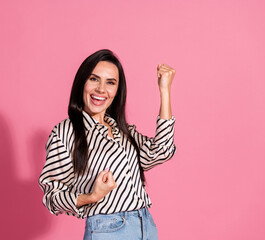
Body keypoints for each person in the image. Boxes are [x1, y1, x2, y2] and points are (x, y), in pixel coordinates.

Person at [38, 49, 177, 239]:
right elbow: (52, 196)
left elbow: (162, 151)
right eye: (94, 79)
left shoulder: (122, 130)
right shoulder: (66, 132)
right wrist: (92, 196)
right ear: (82, 83)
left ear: (117, 90)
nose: (101, 89)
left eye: (110, 82)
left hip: (146, 226)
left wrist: (164, 91)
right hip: (108, 230)